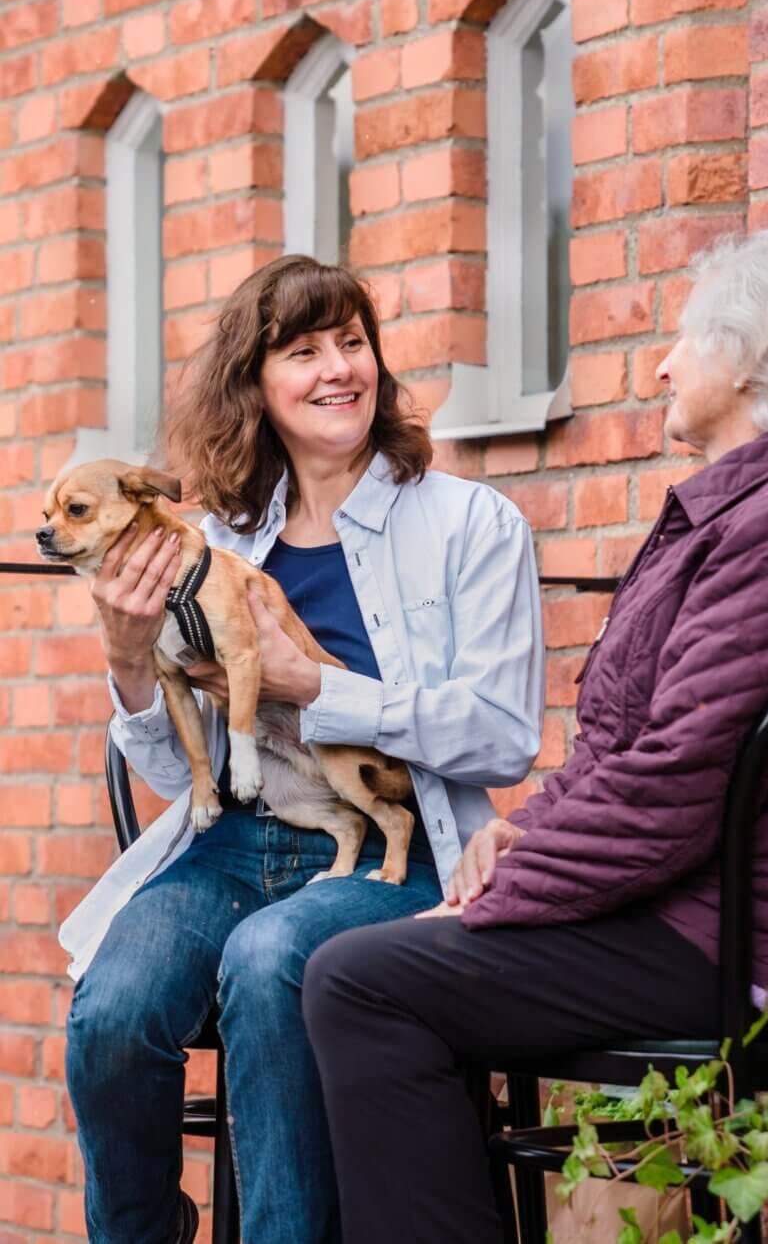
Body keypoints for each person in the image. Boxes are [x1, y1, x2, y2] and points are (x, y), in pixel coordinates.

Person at [301, 224, 768, 1243]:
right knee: (371, 964)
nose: (661, 362)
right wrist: (518, 836)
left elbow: (676, 779)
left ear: (746, 361)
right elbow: (631, 751)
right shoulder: (761, 510)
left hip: (755, 948)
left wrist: (502, 898)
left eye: (685, 338)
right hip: (704, 913)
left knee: (363, 979)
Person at [59, 256, 544, 1244]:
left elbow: (502, 736)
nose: (338, 369)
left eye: (352, 343)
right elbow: (168, 772)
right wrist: (128, 659)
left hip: (392, 856)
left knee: (271, 957)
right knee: (113, 1008)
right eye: (303, 351)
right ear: (255, 386)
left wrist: (316, 686)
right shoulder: (213, 541)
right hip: (234, 846)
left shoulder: (469, 525)